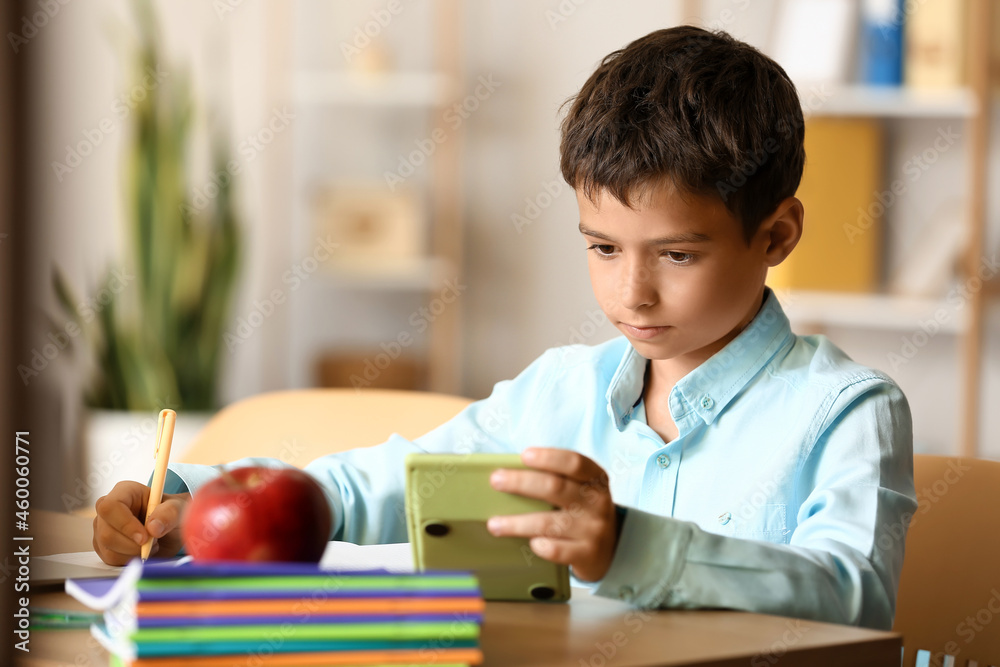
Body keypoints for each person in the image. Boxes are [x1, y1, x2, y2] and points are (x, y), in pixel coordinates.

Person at [92, 25, 916, 630]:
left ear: (776, 235)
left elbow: (853, 591)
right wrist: (188, 505)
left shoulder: (846, 408)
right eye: (601, 247)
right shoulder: (559, 391)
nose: (632, 292)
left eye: (677, 254)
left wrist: (631, 546)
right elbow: (369, 490)